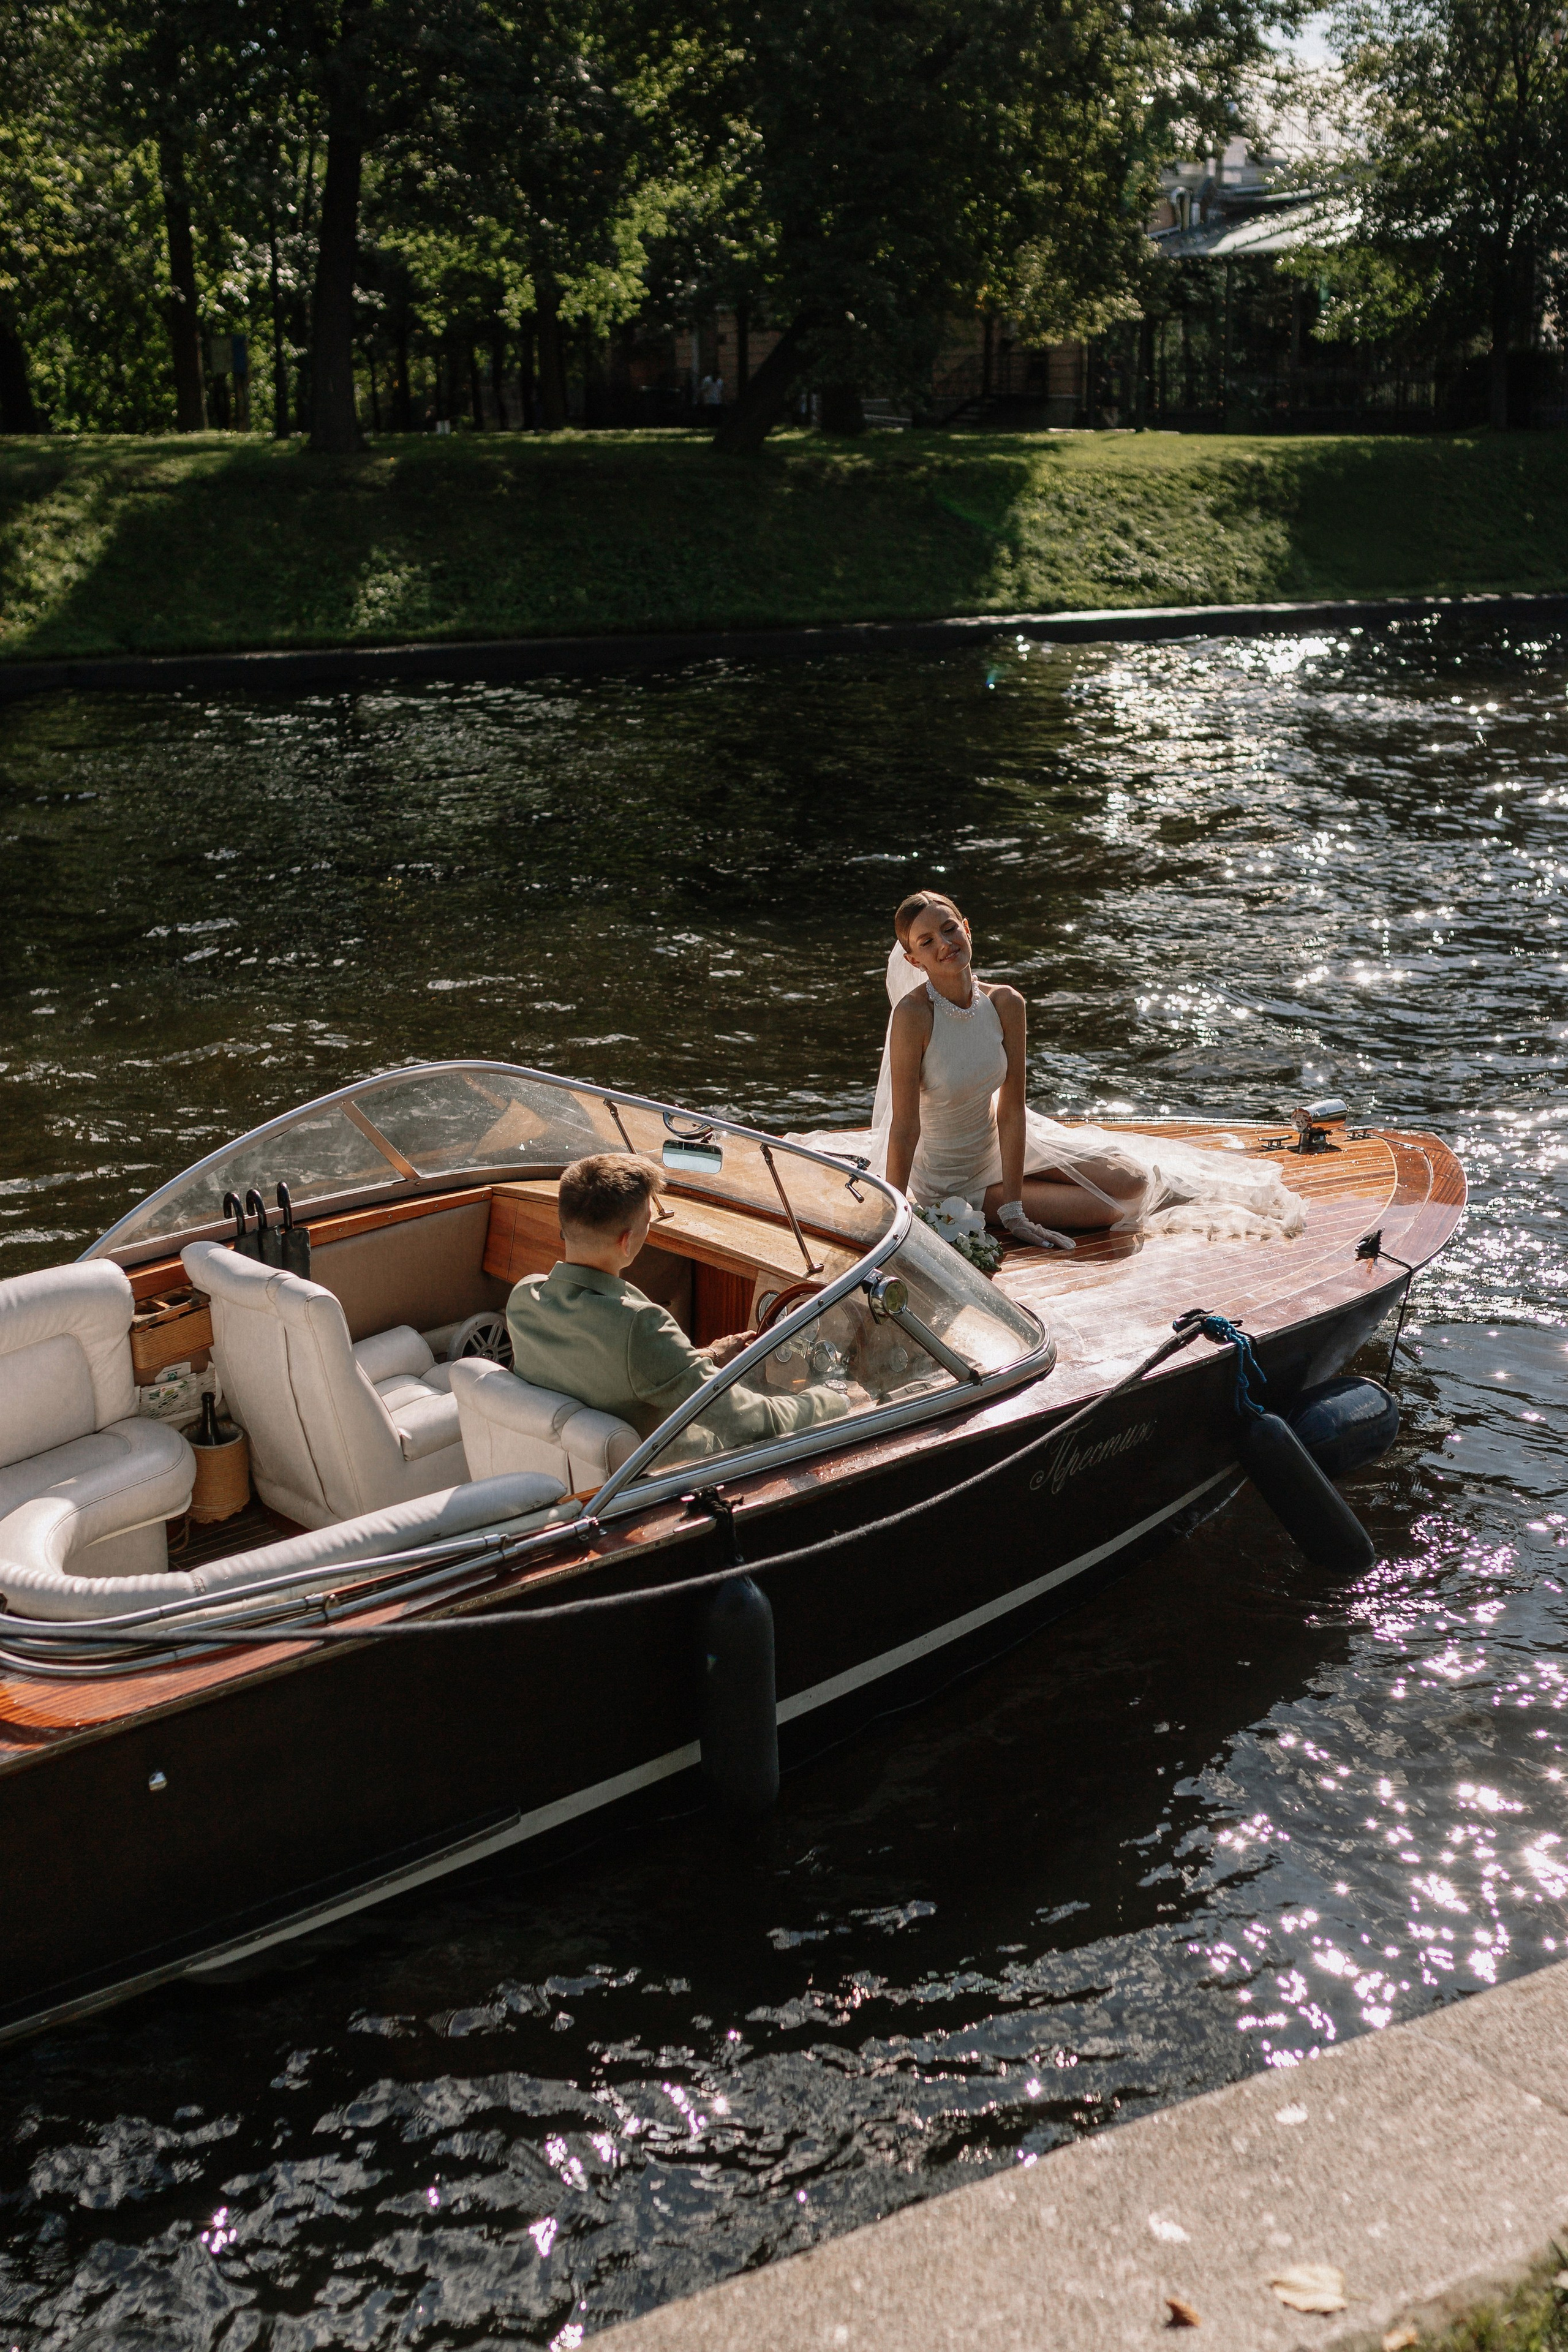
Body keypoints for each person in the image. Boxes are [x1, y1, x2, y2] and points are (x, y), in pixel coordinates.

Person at [791, 888, 1305, 1248]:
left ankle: (1011, 1198)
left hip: (999, 1144)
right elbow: (905, 1126)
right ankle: (986, 1202)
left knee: (1131, 1182)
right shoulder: (913, 1016)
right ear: (913, 960)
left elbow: (1012, 1110)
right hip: (948, 1177)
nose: (944, 944)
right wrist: (897, 1214)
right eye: (927, 941)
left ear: (967, 929)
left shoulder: (1006, 1003)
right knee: (1108, 1212)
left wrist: (1016, 1207)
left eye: (950, 929)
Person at [505, 1152, 853, 1450]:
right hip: (681, 1471)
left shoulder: (524, 1298)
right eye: (648, 1222)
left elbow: (611, 1371)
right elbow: (753, 1422)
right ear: (627, 1242)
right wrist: (834, 1399)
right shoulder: (640, 1326)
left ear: (564, 1225)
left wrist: (710, 1355)